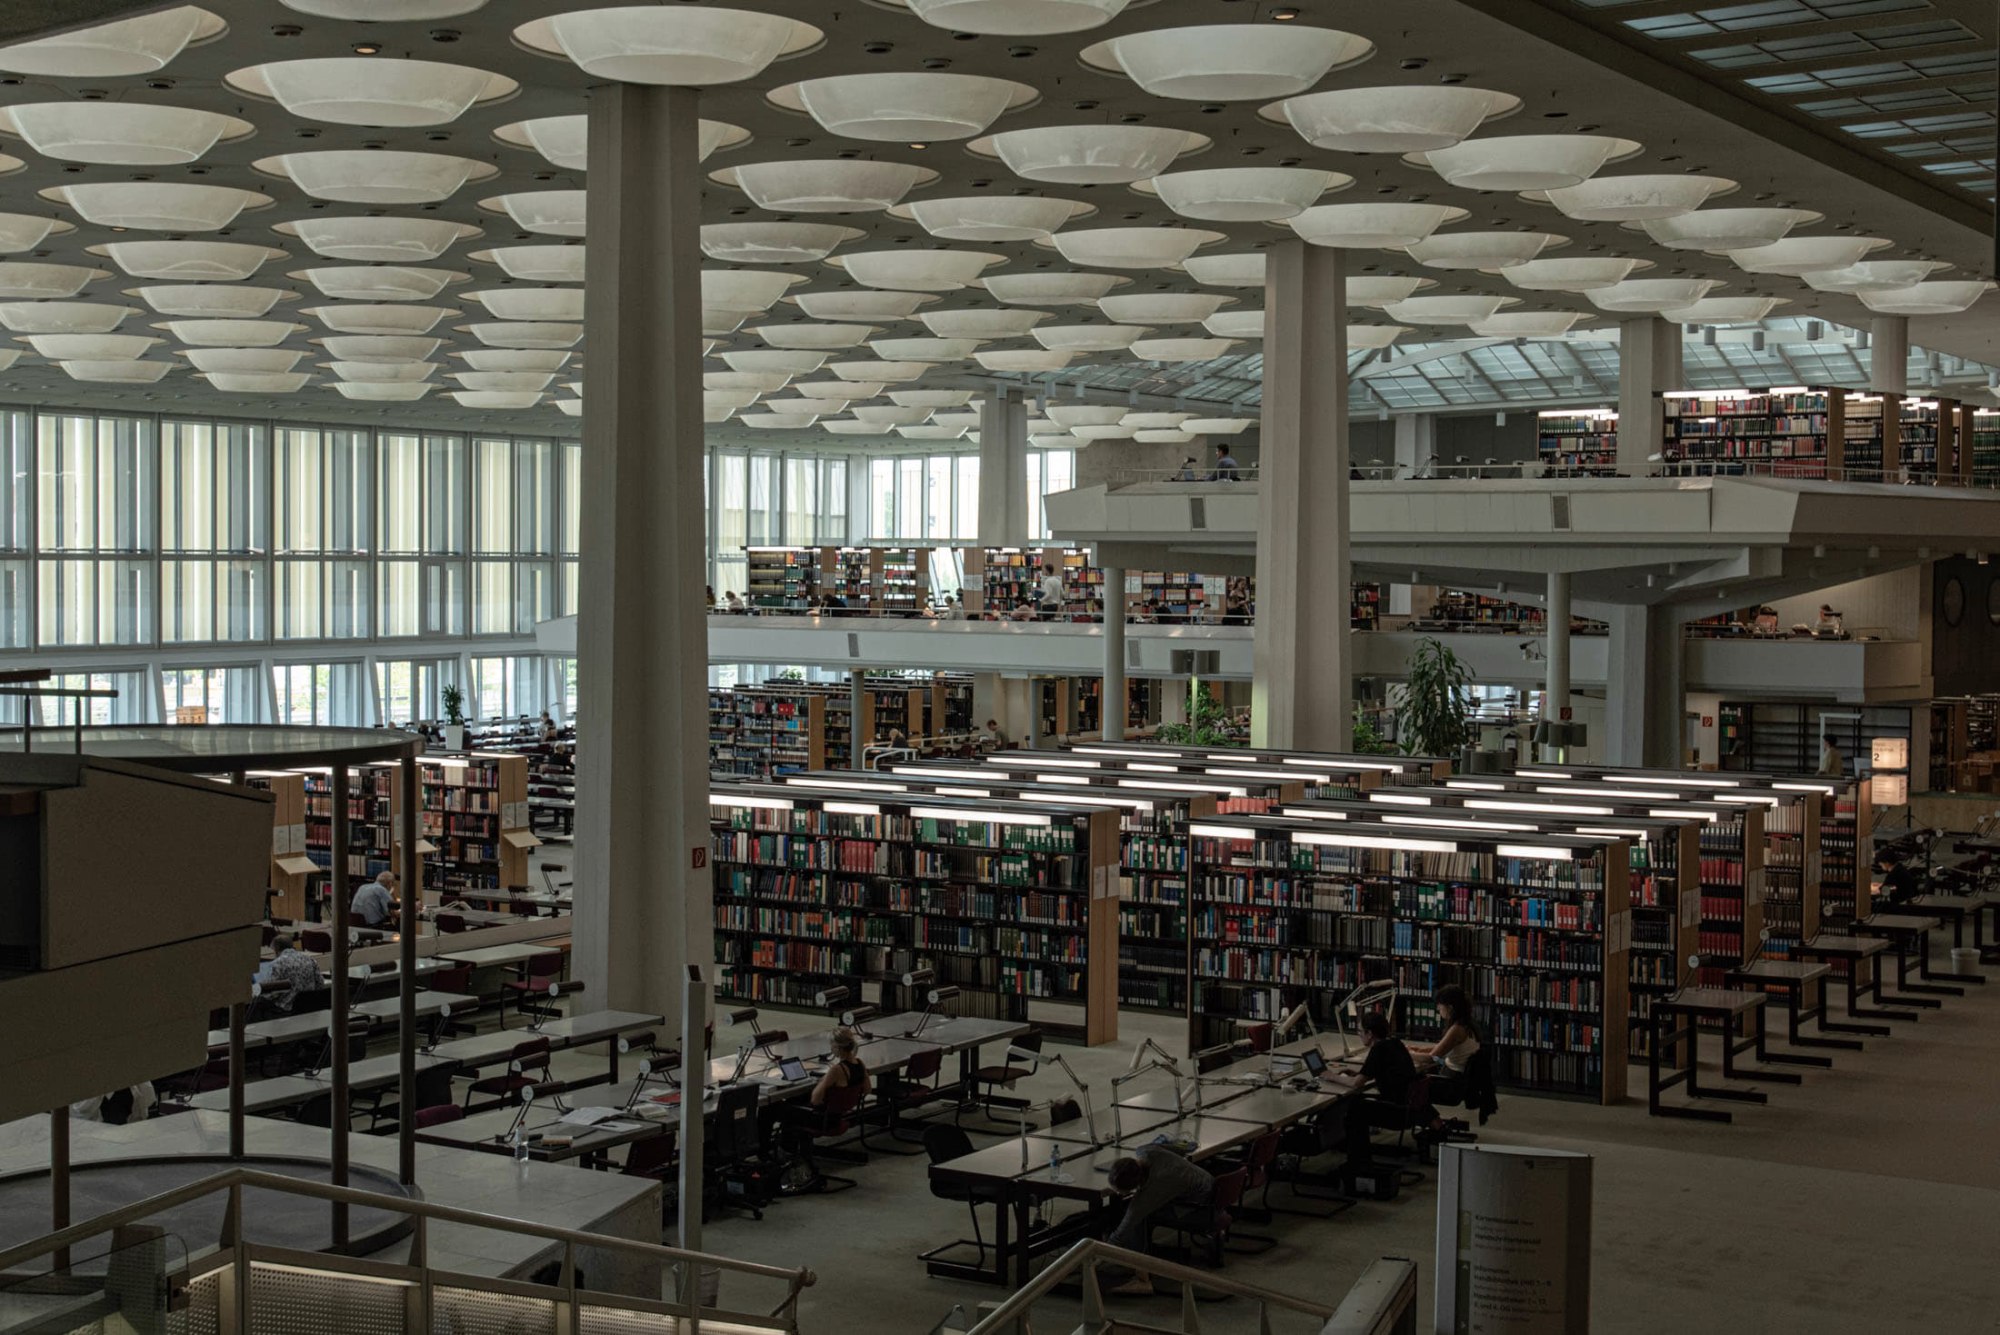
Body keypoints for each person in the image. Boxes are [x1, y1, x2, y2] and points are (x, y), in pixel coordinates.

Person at [1103, 1147, 1216, 1290]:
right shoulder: (1147, 1152)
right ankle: (1137, 1255)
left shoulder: (1156, 1186)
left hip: (1199, 1208)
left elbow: (1126, 1226)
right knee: (1136, 1212)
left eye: (1119, 1191)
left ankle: (1143, 1280)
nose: (1117, 1193)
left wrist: (1098, 1253)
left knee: (1139, 1220)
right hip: (1207, 1188)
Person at [1408, 985, 1480, 1135]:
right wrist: (1417, 1049)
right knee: (1415, 1080)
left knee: (1408, 1088)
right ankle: (1434, 1120)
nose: (1437, 1010)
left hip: (1450, 1085)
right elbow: (1440, 1049)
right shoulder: (1466, 1025)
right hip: (1456, 1080)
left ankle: (1434, 1122)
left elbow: (1431, 1058)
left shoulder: (1456, 1030)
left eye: (1440, 1006)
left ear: (1450, 1007)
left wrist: (1405, 1053)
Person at [256, 934, 326, 1014]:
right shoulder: (311, 960)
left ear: (277, 948)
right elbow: (320, 984)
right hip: (309, 1008)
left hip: (286, 1011)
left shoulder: (277, 964)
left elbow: (272, 995)